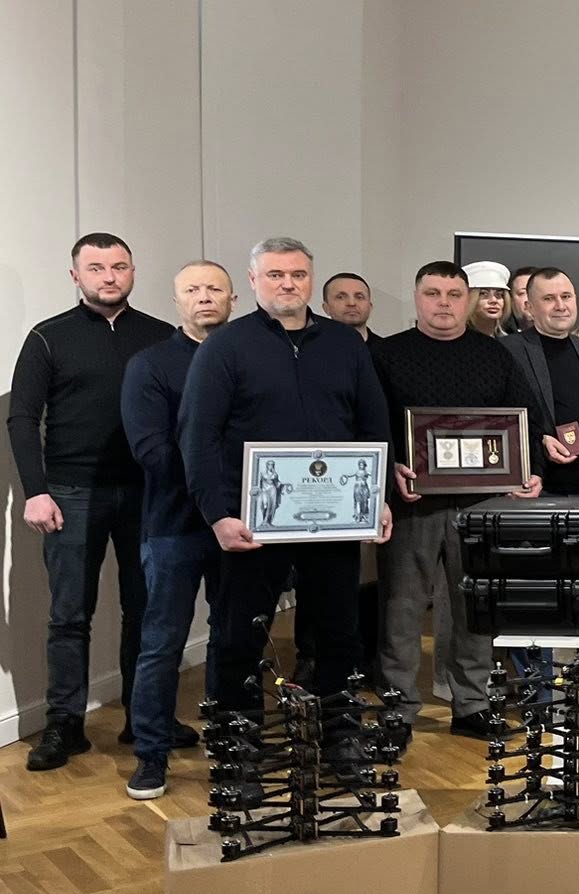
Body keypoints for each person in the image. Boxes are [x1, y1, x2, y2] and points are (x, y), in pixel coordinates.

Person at [178, 237, 392, 713]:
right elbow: (198, 437)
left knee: (339, 632)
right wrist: (217, 515)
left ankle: (339, 731)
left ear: (311, 281)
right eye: (275, 275)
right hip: (253, 522)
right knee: (241, 635)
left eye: (298, 274)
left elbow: (374, 426)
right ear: (253, 280)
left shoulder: (345, 344)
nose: (288, 284)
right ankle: (240, 740)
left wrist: (377, 498)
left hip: (335, 520)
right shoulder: (225, 347)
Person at [11, 232, 174, 771]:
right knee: (69, 615)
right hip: (70, 493)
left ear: (133, 272)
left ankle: (144, 717)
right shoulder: (47, 336)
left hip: (147, 493)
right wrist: (36, 491)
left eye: (119, 266)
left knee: (146, 610)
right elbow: (22, 418)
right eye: (97, 267)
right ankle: (65, 725)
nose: (109, 276)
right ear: (75, 275)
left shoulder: (160, 337)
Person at [371, 260, 543, 738]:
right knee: (402, 607)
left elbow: (524, 419)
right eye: (433, 293)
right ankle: (399, 707)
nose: (443, 303)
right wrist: (390, 469)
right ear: (417, 297)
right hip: (412, 501)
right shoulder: (387, 354)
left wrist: (530, 471)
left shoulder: (495, 355)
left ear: (466, 300)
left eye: (453, 294)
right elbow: (371, 422)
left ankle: (472, 704)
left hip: (481, 505)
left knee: (475, 606)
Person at [116, 261, 234, 797]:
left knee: (232, 640)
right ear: (176, 299)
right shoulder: (151, 364)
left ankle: (230, 747)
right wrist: (218, 487)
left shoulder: (247, 358)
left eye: (214, 288)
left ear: (233, 298)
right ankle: (151, 754)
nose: (204, 296)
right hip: (174, 527)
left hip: (240, 526)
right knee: (162, 643)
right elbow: (152, 451)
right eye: (193, 289)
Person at [501, 267, 579, 497]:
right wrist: (539, 439)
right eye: (549, 299)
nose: (560, 306)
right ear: (530, 307)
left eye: (566, 296)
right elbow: (499, 418)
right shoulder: (509, 350)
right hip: (539, 491)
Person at [462, 261, 512, 337]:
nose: (494, 300)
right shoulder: (456, 340)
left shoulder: (511, 340)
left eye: (499, 294)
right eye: (484, 294)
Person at [321, 272, 376, 342]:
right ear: (326, 308)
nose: (351, 303)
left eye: (359, 297)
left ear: (370, 307)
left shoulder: (388, 348)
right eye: (340, 297)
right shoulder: (311, 347)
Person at [508, 265, 538, 331]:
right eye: (522, 293)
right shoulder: (501, 336)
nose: (529, 299)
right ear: (511, 300)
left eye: (536, 292)